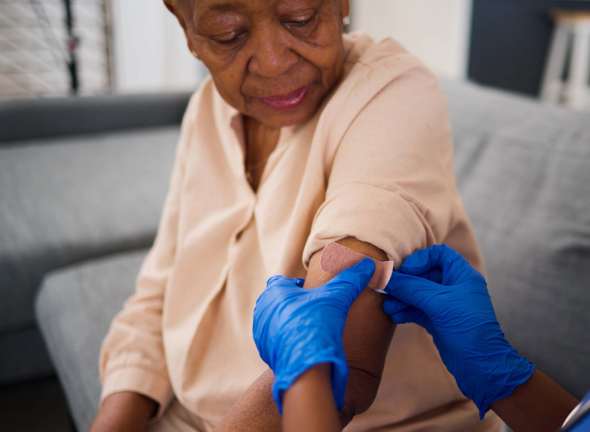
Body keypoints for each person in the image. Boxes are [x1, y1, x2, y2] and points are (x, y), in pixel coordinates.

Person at [251, 0, 590, 431]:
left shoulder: (391, 88)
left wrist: (306, 380)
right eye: (227, 34)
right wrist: (510, 381)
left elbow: (350, 364)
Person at [90, 0, 497, 431]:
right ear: (186, 28)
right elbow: (160, 291)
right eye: (229, 34)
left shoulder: (394, 94)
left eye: (301, 18)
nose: (273, 62)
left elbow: (341, 351)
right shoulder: (207, 108)